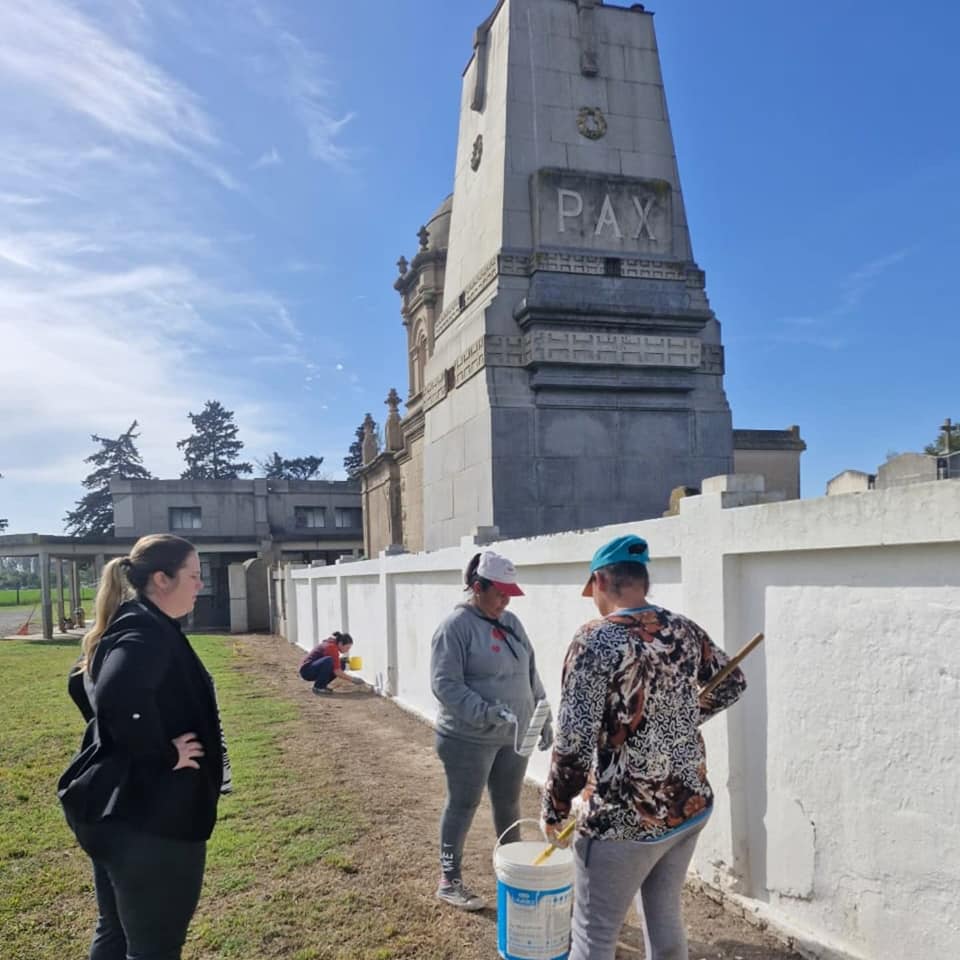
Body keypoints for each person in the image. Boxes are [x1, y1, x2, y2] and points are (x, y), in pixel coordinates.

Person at [541, 534, 747, 960]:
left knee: (593, 937)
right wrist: (677, 719)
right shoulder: (683, 629)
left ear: (600, 581)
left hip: (623, 819)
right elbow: (732, 682)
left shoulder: (595, 640)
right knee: (664, 917)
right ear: (642, 580)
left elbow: (574, 743)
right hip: (688, 806)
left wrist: (554, 809)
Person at [58, 534, 226, 960]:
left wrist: (123, 739)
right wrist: (163, 753)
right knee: (154, 949)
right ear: (161, 579)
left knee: (115, 932)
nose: (200, 585)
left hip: (120, 811)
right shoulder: (144, 631)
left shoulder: (137, 621)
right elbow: (116, 697)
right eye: (193, 575)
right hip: (152, 822)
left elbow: (82, 685)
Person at [430, 550, 553, 911]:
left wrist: (542, 715)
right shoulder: (455, 628)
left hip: (512, 736)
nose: (505, 601)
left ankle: (512, 873)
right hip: (468, 737)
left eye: (509, 594)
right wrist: (484, 712)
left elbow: (530, 672)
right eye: (499, 593)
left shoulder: (512, 622)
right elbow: (445, 684)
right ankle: (449, 880)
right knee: (463, 804)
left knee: (509, 802)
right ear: (477, 587)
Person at [298, 630, 355, 695]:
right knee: (329, 660)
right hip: (306, 671)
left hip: (312, 668)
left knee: (342, 664)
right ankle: (319, 687)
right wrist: (353, 679)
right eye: (347, 647)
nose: (347, 650)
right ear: (340, 643)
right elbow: (337, 672)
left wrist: (340, 660)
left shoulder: (332, 644)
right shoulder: (331, 647)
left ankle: (322, 685)